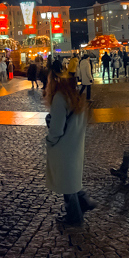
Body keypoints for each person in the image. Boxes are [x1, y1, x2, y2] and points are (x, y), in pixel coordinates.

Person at [44, 59, 93, 226]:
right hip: (74, 145)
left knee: (66, 183)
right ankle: (84, 202)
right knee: (71, 179)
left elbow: (57, 130)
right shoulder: (75, 96)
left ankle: (74, 217)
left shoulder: (59, 98)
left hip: (63, 147)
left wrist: (49, 140)